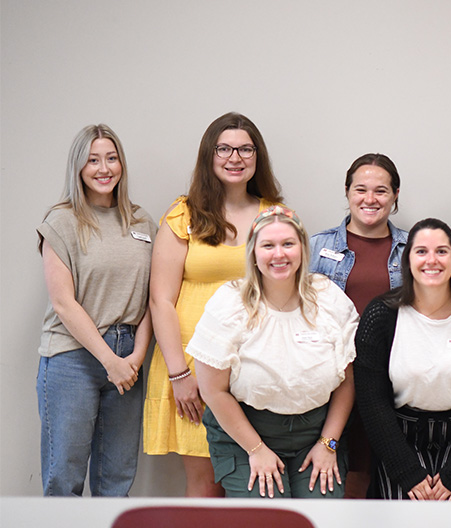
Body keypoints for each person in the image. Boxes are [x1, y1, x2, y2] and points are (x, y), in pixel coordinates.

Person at [145, 112, 283, 497]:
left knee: (255, 482)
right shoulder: (184, 215)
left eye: (245, 149)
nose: (234, 157)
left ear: (258, 157)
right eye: (224, 148)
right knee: (206, 484)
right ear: (209, 155)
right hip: (190, 364)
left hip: (255, 364)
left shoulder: (275, 216)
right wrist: (178, 374)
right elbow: (161, 300)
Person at [189, 206, 358, 498]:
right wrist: (256, 450)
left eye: (288, 244)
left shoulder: (328, 299)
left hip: (315, 434)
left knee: (321, 517)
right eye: (268, 245)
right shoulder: (229, 304)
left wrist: (328, 443)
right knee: (268, 518)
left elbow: (347, 380)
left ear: (303, 250)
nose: (279, 254)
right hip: (247, 434)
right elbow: (213, 391)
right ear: (253, 252)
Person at [36, 124, 156, 496]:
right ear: (79, 168)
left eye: (111, 158)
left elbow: (155, 295)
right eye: (93, 160)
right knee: (64, 478)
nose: (104, 168)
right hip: (74, 357)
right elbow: (63, 303)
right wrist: (110, 360)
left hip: (129, 358)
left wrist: (136, 354)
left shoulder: (142, 222)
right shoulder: (62, 221)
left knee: (117, 478)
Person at [354, 218, 451, 500]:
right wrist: (406, 471)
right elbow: (371, 400)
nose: (431, 260)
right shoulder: (381, 314)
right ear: (408, 259)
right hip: (399, 441)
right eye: (421, 251)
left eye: (441, 251)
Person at [310, 152, 408, 497]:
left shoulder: (412, 250)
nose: (370, 199)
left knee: (371, 471)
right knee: (328, 470)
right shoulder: (316, 247)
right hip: (330, 377)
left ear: (395, 195)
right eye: (361, 189)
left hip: (389, 378)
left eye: (381, 191)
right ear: (348, 192)